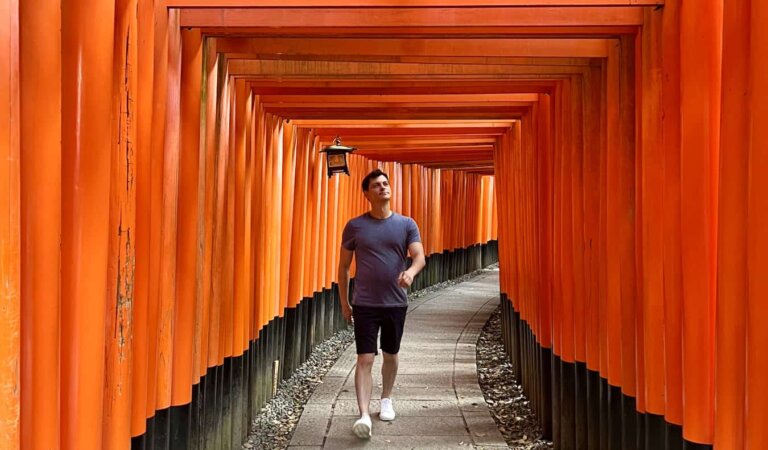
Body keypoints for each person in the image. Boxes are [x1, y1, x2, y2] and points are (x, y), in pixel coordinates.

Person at [337, 168, 426, 439]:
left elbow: (420, 256)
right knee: (364, 358)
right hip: (364, 303)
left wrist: (410, 272)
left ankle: (386, 399)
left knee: (390, 354)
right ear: (367, 194)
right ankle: (364, 414)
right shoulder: (355, 226)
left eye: (385, 184)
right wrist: (344, 303)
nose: (383, 188)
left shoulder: (406, 224)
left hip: (395, 303)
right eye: (376, 185)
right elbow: (343, 268)